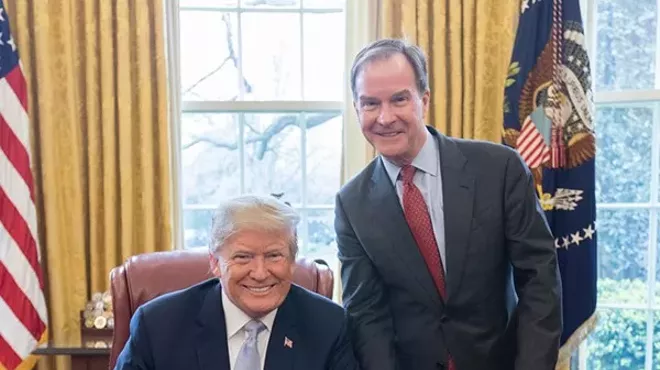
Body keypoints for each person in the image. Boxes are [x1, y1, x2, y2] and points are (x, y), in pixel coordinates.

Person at [335, 38, 562, 370]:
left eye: (399, 99)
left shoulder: (500, 169)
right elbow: (366, 315)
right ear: (357, 109)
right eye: (370, 103)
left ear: (424, 100)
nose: (384, 118)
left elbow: (539, 280)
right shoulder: (352, 203)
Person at [114, 195, 359, 370]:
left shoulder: (328, 326)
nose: (260, 273)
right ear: (214, 263)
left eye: (274, 256)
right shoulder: (158, 325)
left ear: (292, 260)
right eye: (243, 257)